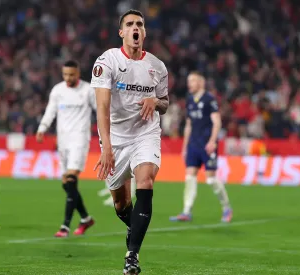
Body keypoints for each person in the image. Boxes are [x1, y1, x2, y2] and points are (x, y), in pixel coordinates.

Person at [90, 9, 169, 275]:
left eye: (140, 24)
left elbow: (165, 104)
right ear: (121, 32)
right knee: (121, 205)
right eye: (130, 24)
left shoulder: (157, 67)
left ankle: (131, 256)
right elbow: (102, 106)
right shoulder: (107, 61)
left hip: (145, 133)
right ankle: (132, 224)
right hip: (115, 138)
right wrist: (107, 146)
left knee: (145, 180)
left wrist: (155, 101)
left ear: (144, 33)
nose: (136, 28)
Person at [36, 60, 96, 238]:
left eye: (72, 74)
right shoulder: (58, 90)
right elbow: (50, 111)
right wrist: (42, 128)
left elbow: (100, 111)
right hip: (63, 141)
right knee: (66, 184)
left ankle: (65, 226)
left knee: (70, 180)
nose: (68, 78)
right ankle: (85, 218)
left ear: (78, 74)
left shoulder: (87, 91)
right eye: (65, 75)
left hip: (79, 139)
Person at [170, 72, 233, 223]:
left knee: (211, 180)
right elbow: (189, 125)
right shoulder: (190, 99)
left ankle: (226, 207)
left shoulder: (209, 99)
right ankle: (186, 211)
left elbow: (217, 122)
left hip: (207, 145)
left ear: (201, 82)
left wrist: (212, 141)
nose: (189, 84)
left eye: (192, 81)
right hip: (193, 145)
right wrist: (185, 147)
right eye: (188, 81)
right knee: (190, 177)